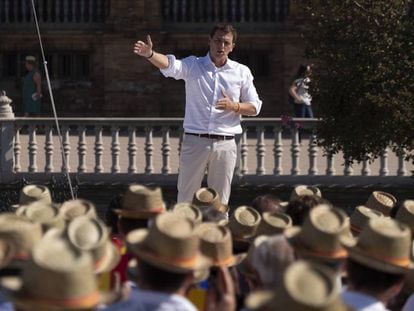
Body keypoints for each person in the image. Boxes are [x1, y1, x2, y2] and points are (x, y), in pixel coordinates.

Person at [133, 24, 263, 205]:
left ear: (233, 46)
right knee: (186, 197)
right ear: (209, 41)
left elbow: (255, 107)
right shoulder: (194, 65)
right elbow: (172, 66)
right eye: (218, 41)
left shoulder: (241, 72)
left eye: (226, 42)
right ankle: (183, 232)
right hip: (195, 141)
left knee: (220, 201)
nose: (221, 46)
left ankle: (218, 233)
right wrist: (150, 55)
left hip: (225, 143)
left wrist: (234, 106)